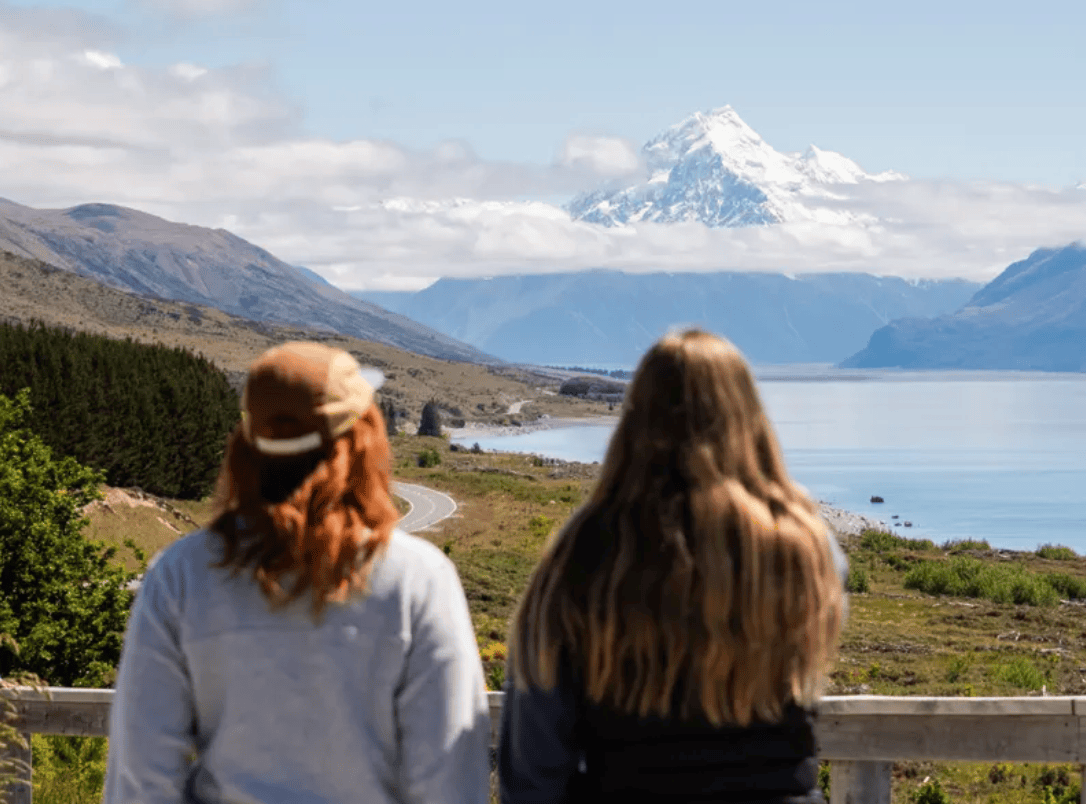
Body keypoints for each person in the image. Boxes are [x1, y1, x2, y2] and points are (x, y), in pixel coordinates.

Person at [103, 341, 490, 804]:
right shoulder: (418, 580)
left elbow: (140, 779)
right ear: (361, 442)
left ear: (248, 446)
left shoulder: (180, 577)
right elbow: (450, 779)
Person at [498, 329, 848, 804]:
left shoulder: (584, 551)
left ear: (635, 421)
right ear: (748, 418)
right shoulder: (806, 548)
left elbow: (534, 765)